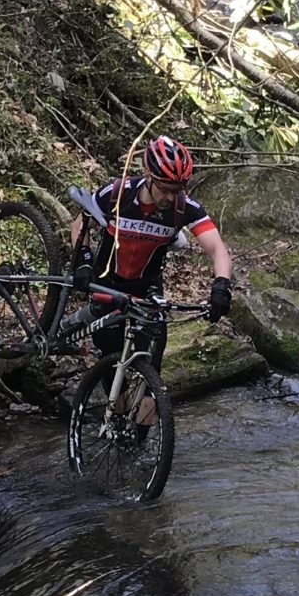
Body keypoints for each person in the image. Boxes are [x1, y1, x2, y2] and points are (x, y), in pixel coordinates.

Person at [69, 135, 235, 414]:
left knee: (151, 372)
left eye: (178, 189)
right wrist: (83, 262)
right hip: (107, 286)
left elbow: (217, 248)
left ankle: (145, 445)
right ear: (148, 174)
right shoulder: (117, 193)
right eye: (166, 189)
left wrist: (221, 285)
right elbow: (79, 226)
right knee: (114, 372)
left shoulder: (184, 207)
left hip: (147, 290)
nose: (171, 197)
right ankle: (116, 418)